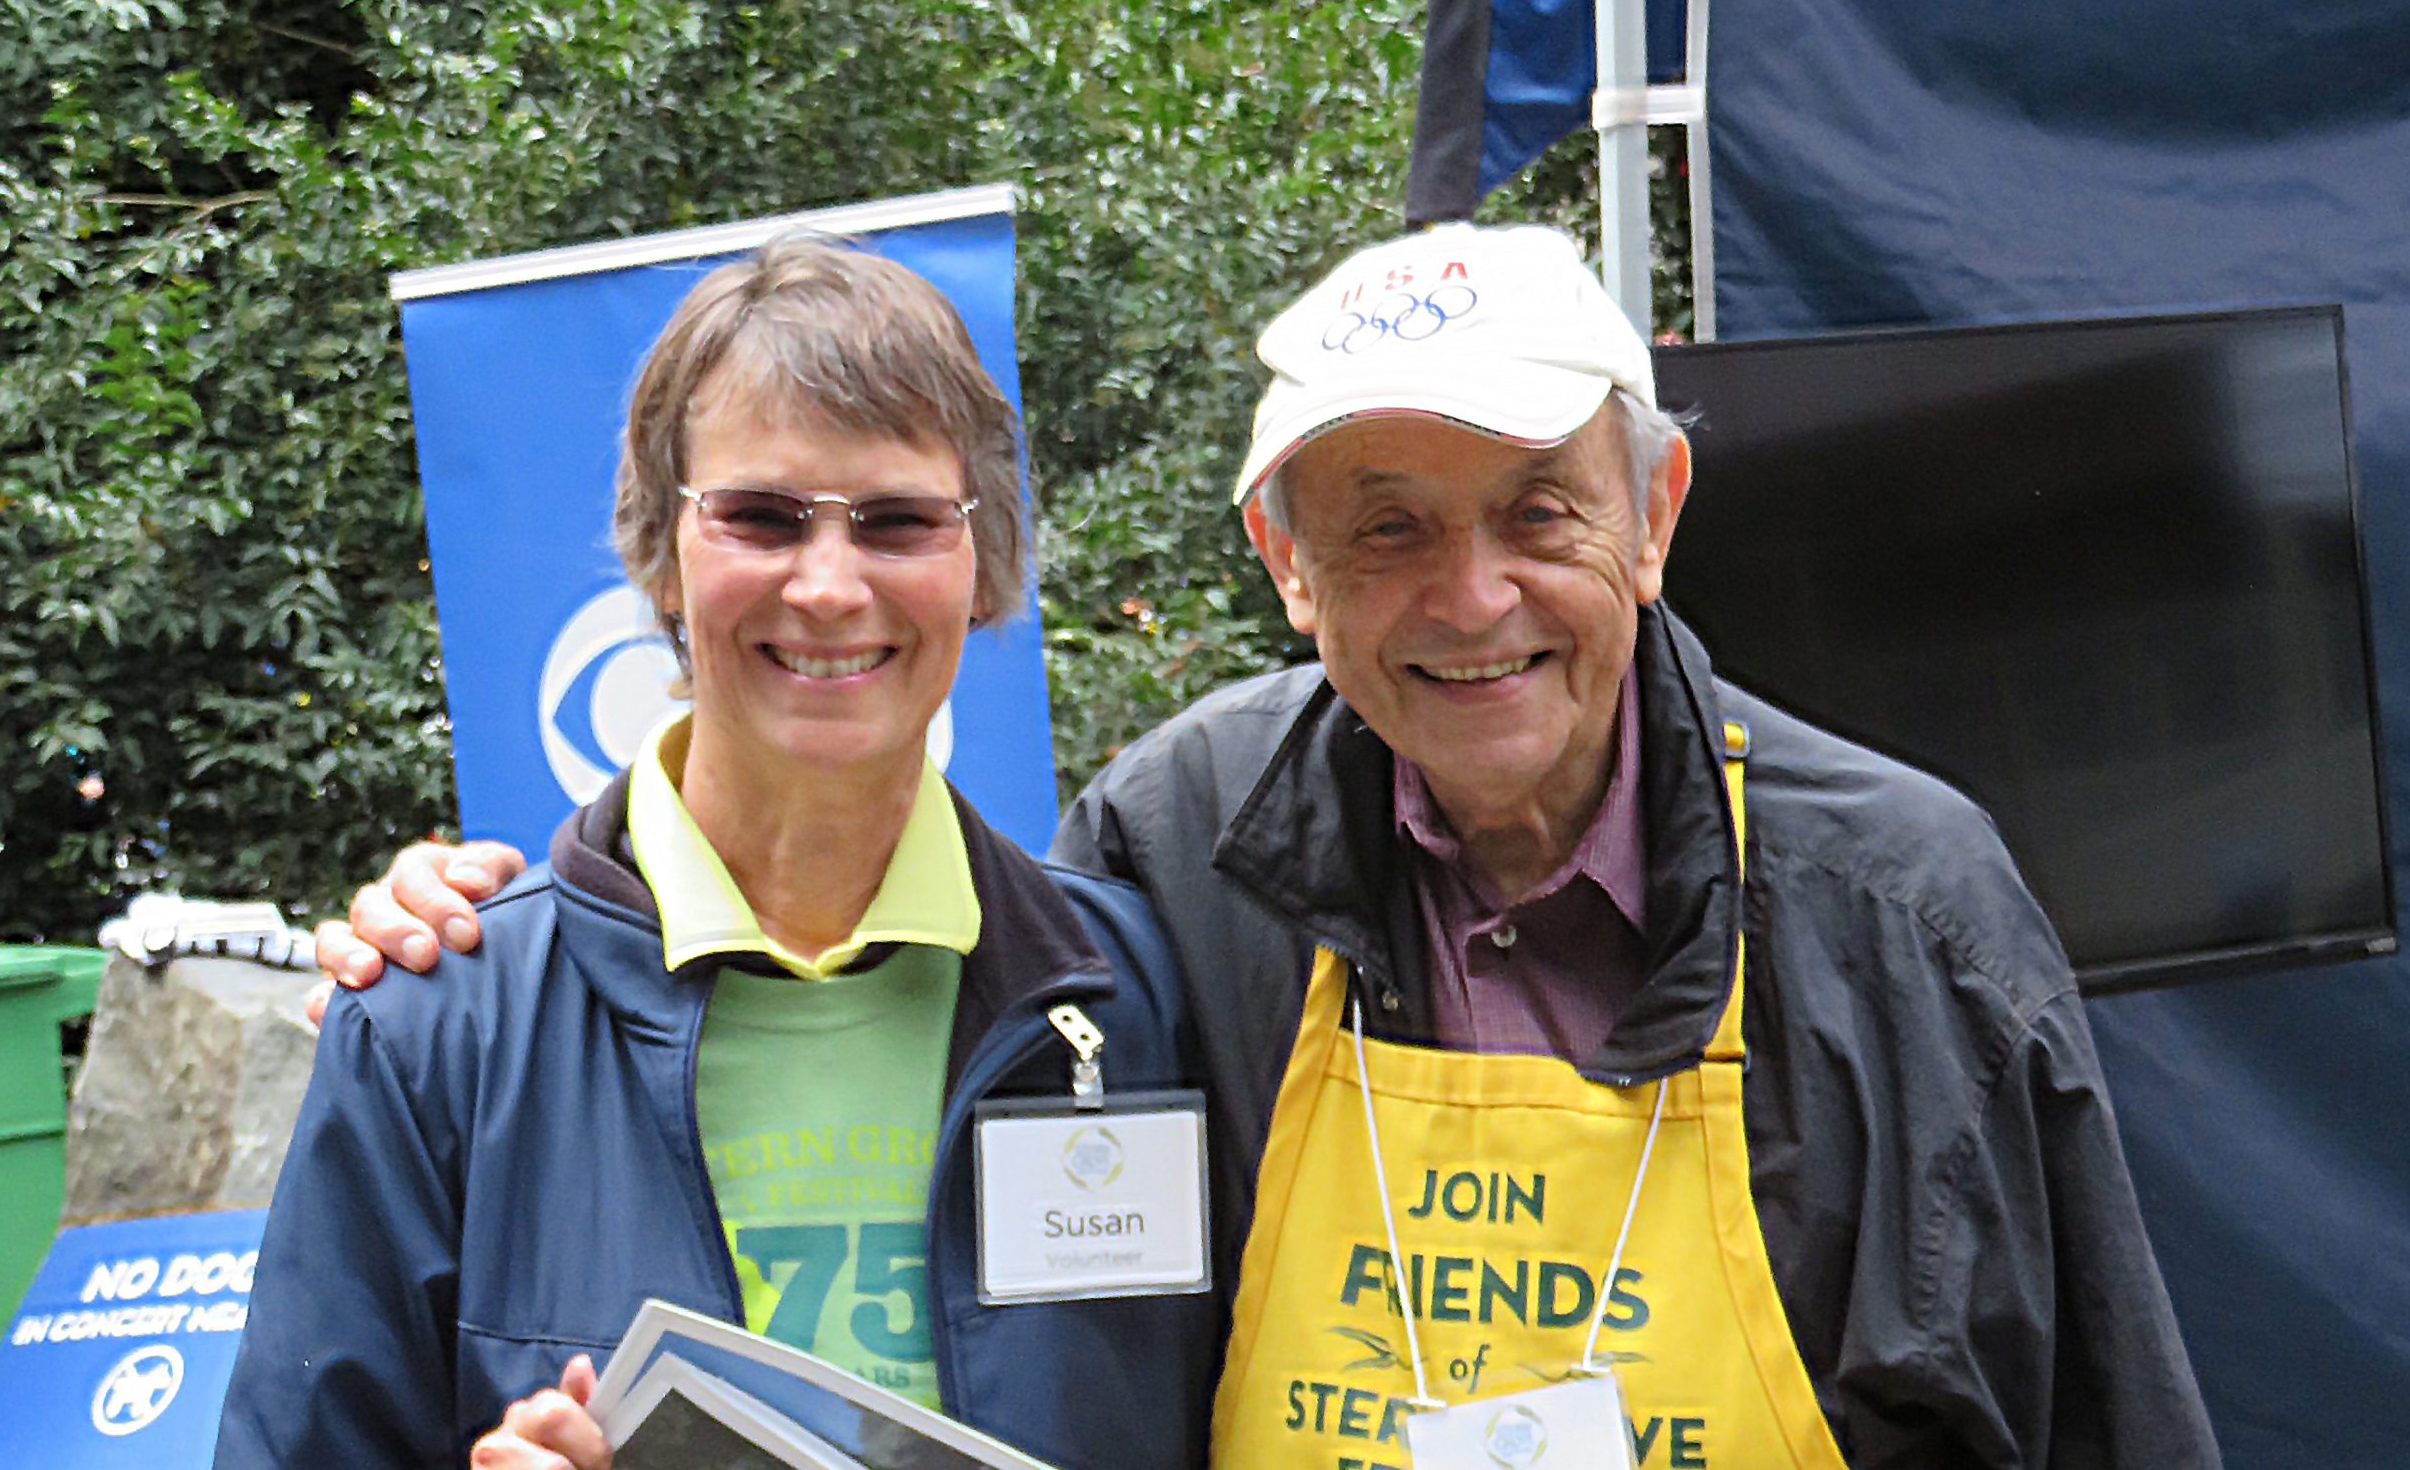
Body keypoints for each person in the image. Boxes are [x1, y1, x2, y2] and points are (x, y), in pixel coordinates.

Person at [333, 223, 2221, 1469]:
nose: (1472, 595)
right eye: (1387, 526)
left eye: (1539, 511)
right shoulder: (1176, 862)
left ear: (1654, 510)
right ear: (1286, 563)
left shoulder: (1902, 912)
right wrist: (496, 916)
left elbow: (2105, 1415)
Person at [219, 238, 1223, 1470]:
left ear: (981, 563)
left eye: (899, 520)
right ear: (660, 551)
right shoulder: (439, 1026)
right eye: (760, 516)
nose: (828, 585)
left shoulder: (1142, 994)